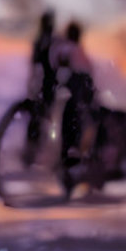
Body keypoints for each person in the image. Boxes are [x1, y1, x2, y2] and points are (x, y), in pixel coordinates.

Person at [50, 20, 95, 193]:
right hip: (77, 102)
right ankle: (73, 172)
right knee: (76, 138)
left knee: (66, 139)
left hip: (65, 102)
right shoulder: (76, 52)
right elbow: (87, 75)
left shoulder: (59, 50)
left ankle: (67, 173)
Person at [23, 10, 57, 165]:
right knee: (41, 117)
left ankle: (33, 150)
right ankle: (34, 151)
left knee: (38, 118)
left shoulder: (43, 40)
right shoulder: (49, 41)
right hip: (46, 84)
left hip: (43, 84)